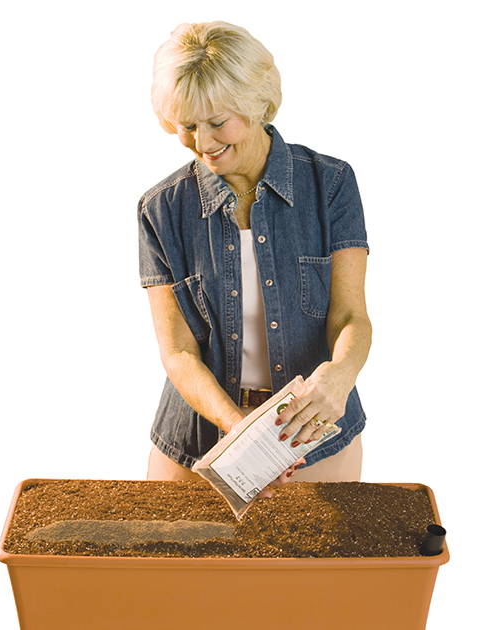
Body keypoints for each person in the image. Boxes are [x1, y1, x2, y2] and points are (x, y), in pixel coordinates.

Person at [139, 21, 371, 497]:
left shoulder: (330, 186)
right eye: (186, 126)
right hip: (198, 440)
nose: (202, 143)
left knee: (314, 572)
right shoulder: (161, 209)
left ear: (257, 103)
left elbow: (351, 317)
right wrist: (238, 431)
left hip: (312, 432)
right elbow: (178, 352)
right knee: (180, 572)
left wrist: (340, 374)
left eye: (218, 122)